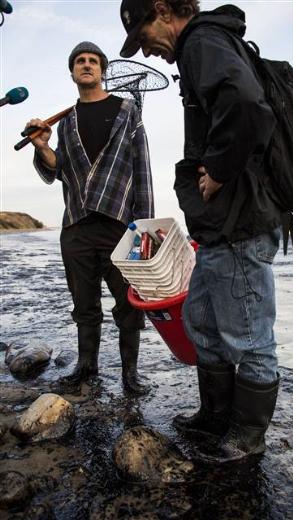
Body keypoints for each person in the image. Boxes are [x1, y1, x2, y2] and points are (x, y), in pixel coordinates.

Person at [119, 1, 282, 462]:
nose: (147, 52)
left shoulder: (203, 41)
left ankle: (248, 438)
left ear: (163, 10)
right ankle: (215, 415)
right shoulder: (200, 45)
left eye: (144, 36)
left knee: (249, 335)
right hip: (216, 229)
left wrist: (222, 171)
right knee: (204, 324)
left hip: (240, 221)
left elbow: (248, 104)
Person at [28, 41, 154, 396]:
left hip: (120, 223)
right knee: (84, 305)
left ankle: (131, 374)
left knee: (129, 305)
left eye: (93, 61)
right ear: (72, 72)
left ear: (102, 70)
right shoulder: (65, 121)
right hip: (77, 225)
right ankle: (87, 368)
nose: (86, 65)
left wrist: (144, 229)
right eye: (80, 61)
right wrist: (42, 147)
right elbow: (57, 172)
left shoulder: (127, 110)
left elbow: (141, 168)